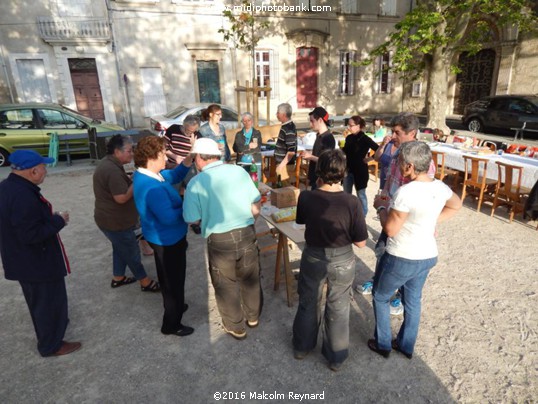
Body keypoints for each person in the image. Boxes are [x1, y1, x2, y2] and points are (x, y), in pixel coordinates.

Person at [367, 141, 461, 359]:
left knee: (380, 296)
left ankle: (383, 343)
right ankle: (405, 344)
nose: (398, 166)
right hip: (427, 254)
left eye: (400, 162)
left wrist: (381, 207)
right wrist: (431, 222)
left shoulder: (405, 192)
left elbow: (390, 229)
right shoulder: (440, 186)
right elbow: (456, 205)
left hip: (403, 255)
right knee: (413, 301)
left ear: (409, 166)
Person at [292, 149, 368, 371]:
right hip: (343, 258)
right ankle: (336, 357)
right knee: (339, 305)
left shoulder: (306, 196)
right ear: (343, 173)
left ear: (319, 171)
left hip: (314, 255)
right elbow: (361, 242)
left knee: (308, 300)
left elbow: (301, 222)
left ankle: (301, 347)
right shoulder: (352, 202)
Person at [0, 150, 81, 357]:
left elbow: (20, 225)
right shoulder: (23, 196)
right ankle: (50, 345)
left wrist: (47, 218)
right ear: (33, 170)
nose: (46, 171)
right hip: (36, 262)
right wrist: (58, 221)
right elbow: (31, 235)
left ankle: (55, 326)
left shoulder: (9, 187)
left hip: (22, 260)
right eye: (43, 167)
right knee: (47, 302)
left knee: (40, 301)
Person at [183, 138, 262, 340]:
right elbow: (255, 203)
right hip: (246, 231)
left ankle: (236, 326)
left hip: (219, 238)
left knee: (225, 283)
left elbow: (191, 217)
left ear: (199, 158)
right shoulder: (238, 171)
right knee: (250, 276)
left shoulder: (196, 182)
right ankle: (253, 317)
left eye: (194, 158)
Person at [358, 113, 435, 316]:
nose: (393, 135)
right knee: (382, 250)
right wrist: (383, 197)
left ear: (412, 133)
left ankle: (400, 296)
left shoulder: (421, 159)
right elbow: (390, 179)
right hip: (389, 213)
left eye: (397, 132)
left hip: (406, 222)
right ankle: (379, 281)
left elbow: (425, 195)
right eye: (393, 131)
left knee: (403, 260)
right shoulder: (396, 152)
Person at [133, 136, 194, 337]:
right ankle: (171, 324)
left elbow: (174, 175)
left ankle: (175, 306)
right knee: (173, 281)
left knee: (169, 278)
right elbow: (168, 218)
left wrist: (189, 158)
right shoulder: (152, 187)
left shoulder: (150, 175)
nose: (165, 157)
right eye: (162, 154)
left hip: (162, 237)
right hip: (168, 240)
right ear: (151, 157)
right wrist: (191, 208)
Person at [93, 134, 160, 292]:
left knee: (120, 247)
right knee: (131, 252)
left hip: (109, 219)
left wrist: (129, 178)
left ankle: (118, 277)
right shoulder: (111, 169)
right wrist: (137, 179)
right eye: (129, 151)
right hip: (116, 221)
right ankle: (144, 282)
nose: (132, 154)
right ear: (117, 151)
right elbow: (121, 198)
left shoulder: (110, 163)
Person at [163, 115, 202, 234]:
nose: (189, 132)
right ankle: (174, 221)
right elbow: (162, 147)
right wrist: (175, 157)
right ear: (183, 124)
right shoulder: (173, 129)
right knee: (173, 193)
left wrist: (193, 145)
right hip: (173, 166)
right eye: (187, 129)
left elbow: (197, 154)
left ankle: (195, 221)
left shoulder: (197, 135)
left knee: (193, 193)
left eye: (192, 131)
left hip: (189, 167)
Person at [342, 115, 379, 216]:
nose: (349, 127)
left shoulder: (365, 138)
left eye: (351, 125)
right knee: (346, 194)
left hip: (360, 170)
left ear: (359, 126)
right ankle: (347, 213)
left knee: (361, 194)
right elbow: (346, 151)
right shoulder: (349, 137)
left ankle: (363, 215)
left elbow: (378, 149)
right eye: (348, 125)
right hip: (348, 169)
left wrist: (369, 158)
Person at [302, 106, 335, 190]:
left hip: (322, 180)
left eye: (312, 121)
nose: (310, 124)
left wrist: (310, 156)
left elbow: (326, 160)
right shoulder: (318, 135)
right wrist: (309, 177)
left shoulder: (328, 138)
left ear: (320, 120)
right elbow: (317, 156)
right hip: (315, 178)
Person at [232, 112, 262, 179]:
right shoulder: (239, 134)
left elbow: (257, 148)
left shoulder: (257, 133)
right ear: (242, 122)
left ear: (252, 121)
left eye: (249, 120)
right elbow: (237, 148)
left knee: (256, 184)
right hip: (242, 162)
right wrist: (249, 146)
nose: (247, 122)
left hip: (255, 162)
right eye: (244, 121)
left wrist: (243, 151)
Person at [274, 103, 297, 180]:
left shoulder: (288, 128)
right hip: (283, 164)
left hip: (285, 166)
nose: (276, 114)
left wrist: (281, 166)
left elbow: (291, 152)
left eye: (278, 113)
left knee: (285, 189)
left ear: (283, 115)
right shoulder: (286, 126)